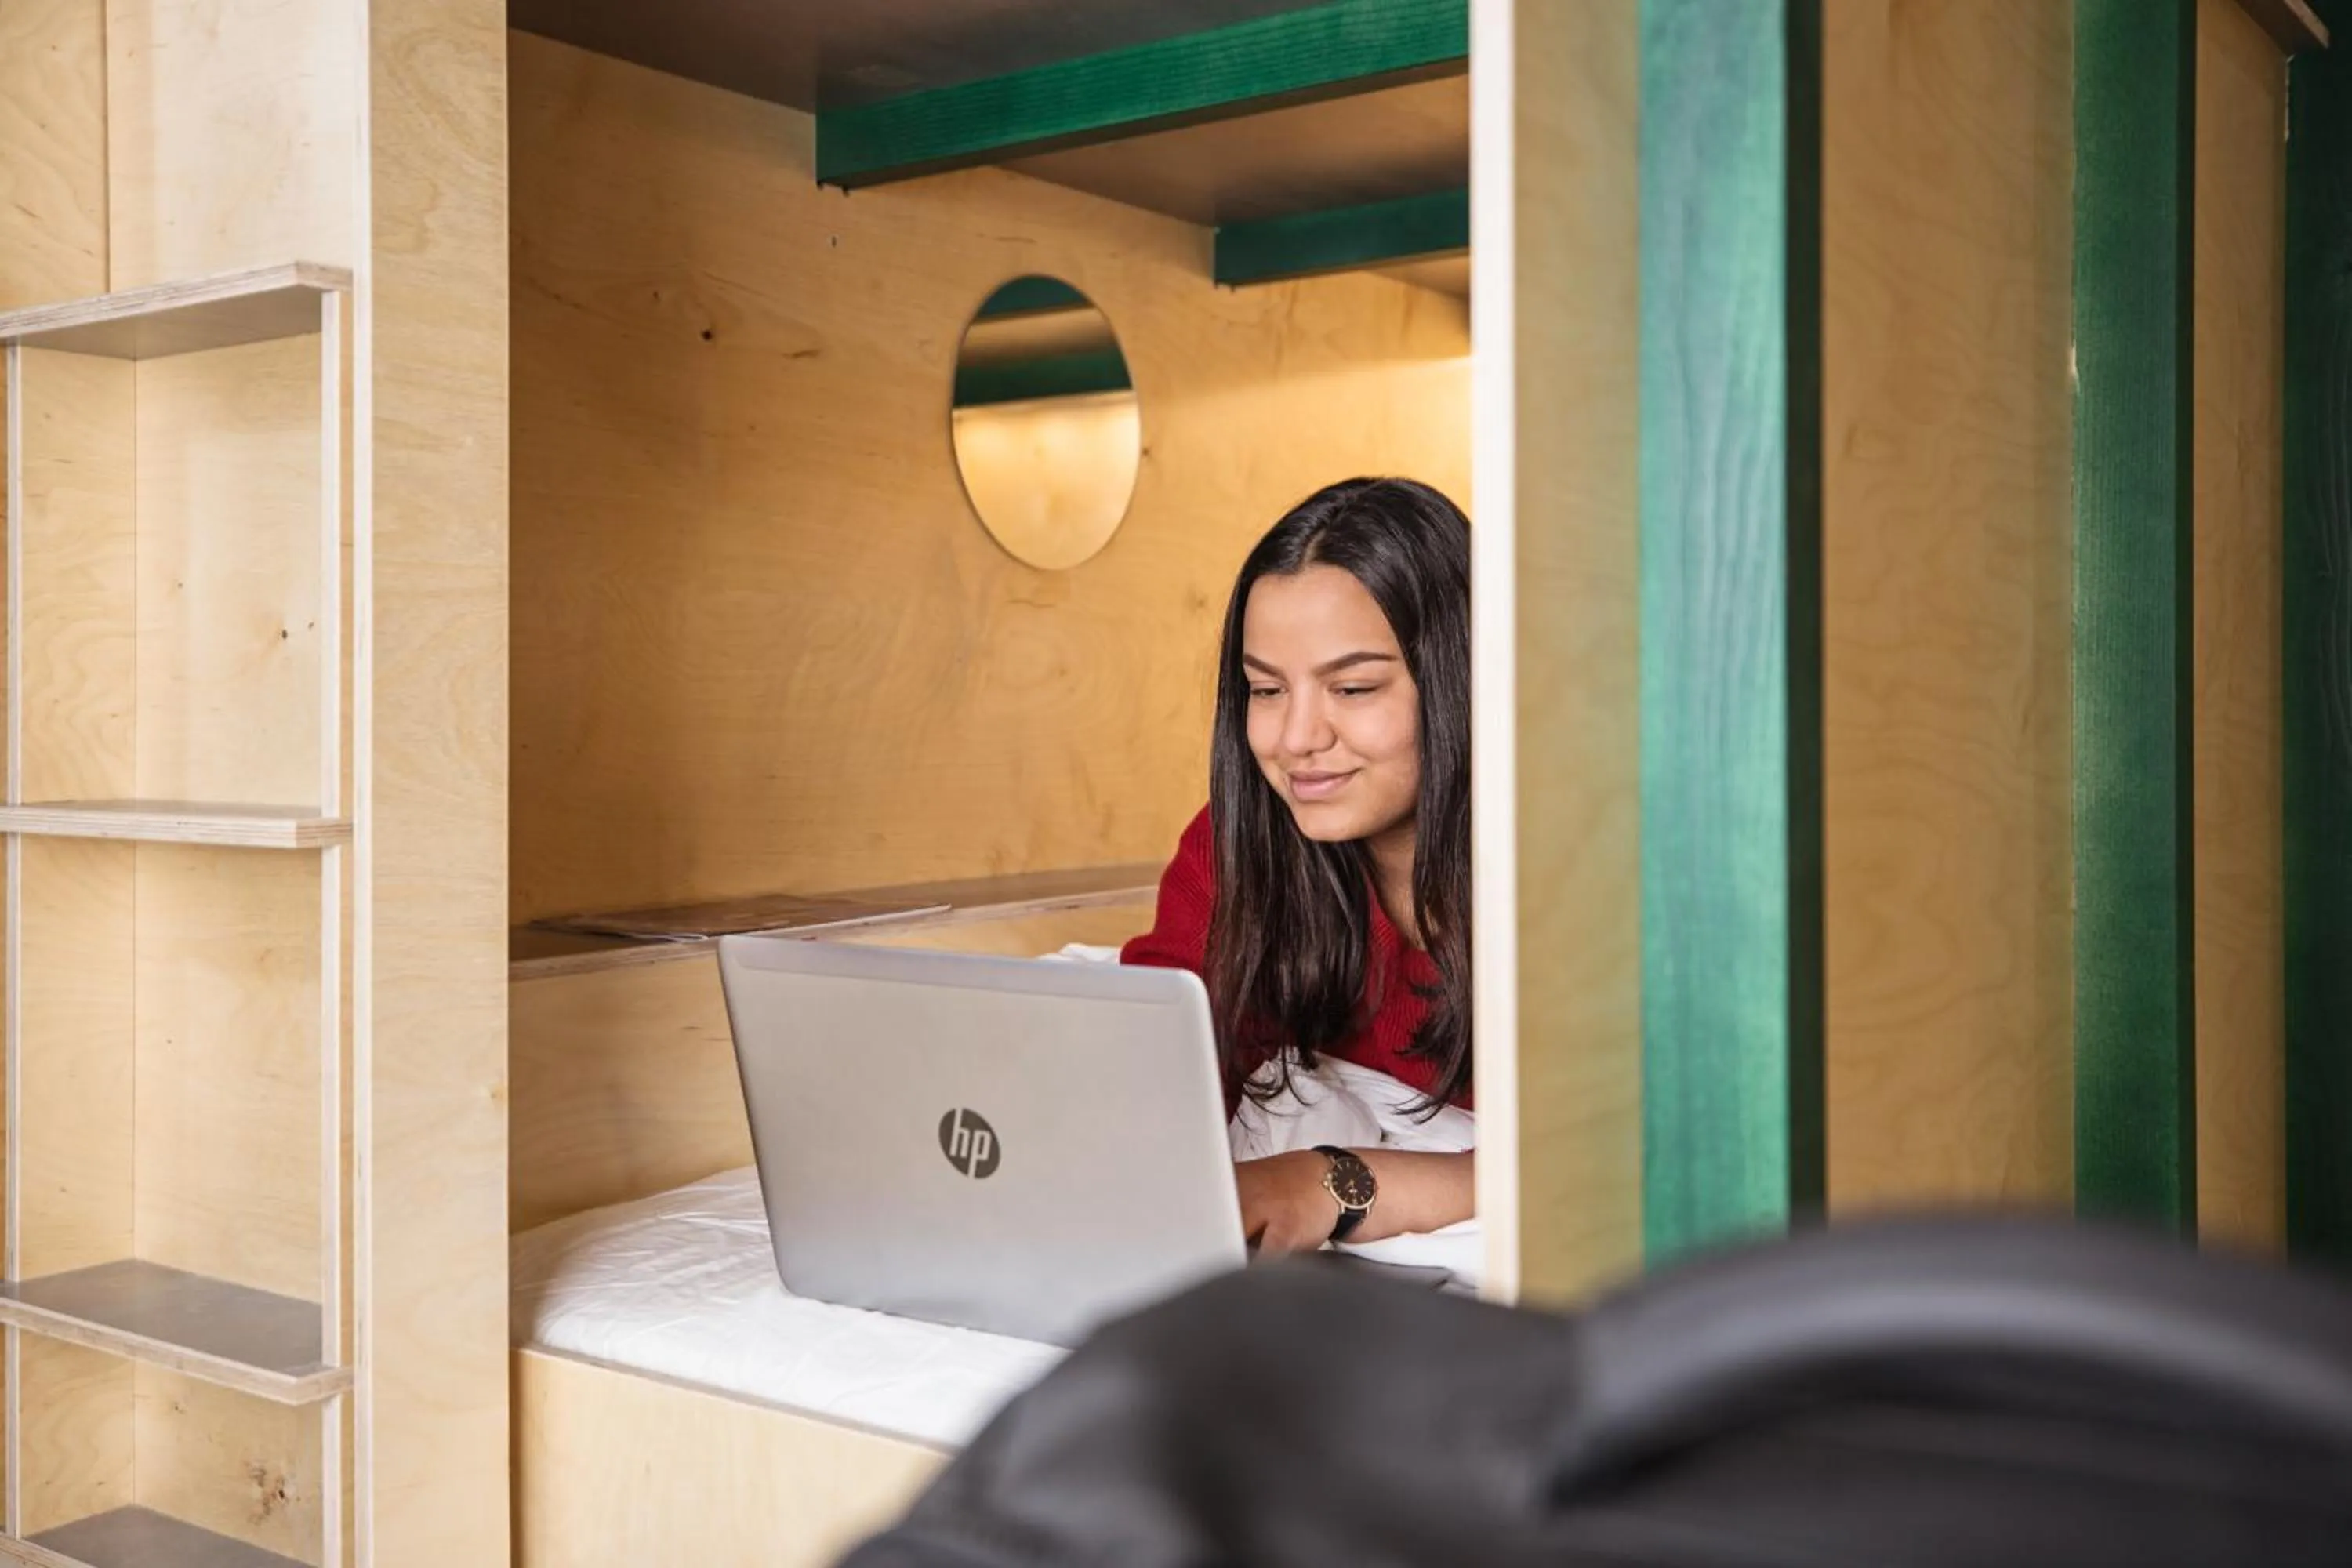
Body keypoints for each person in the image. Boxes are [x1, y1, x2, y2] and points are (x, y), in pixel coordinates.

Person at [1123, 477, 1474, 1256]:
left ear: (1460, 678)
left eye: (1353, 687)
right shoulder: (1239, 847)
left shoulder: (1575, 873)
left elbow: (1628, 1151)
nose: (1296, 737)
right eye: (1265, 689)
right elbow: (1156, 1067)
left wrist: (1333, 1181)